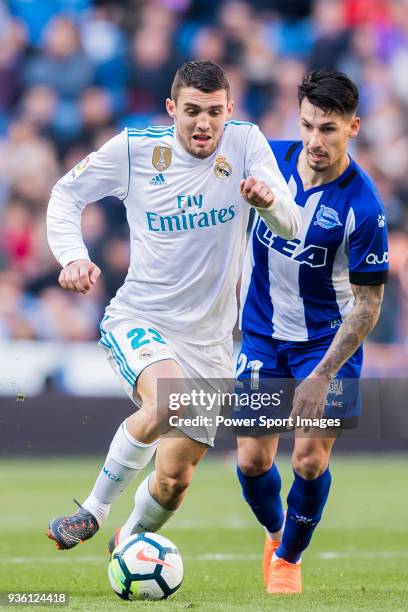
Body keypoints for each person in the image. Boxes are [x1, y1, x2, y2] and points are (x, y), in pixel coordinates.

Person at [45, 60, 300, 551]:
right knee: (168, 397)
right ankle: (92, 511)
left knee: (173, 481)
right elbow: (65, 195)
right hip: (142, 317)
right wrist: (74, 256)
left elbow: (289, 221)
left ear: (229, 111)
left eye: (213, 112)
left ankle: (129, 544)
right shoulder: (136, 150)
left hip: (211, 342)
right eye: (191, 112)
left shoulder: (246, 143)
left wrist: (268, 201)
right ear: (171, 110)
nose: (203, 123)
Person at [235, 69, 388, 594]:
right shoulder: (269, 162)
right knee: (253, 459)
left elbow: (369, 306)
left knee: (308, 457)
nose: (314, 140)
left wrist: (323, 375)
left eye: (328, 128)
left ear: (353, 127)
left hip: (328, 343)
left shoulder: (363, 207)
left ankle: (289, 561)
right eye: (307, 126)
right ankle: (276, 534)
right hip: (261, 333)